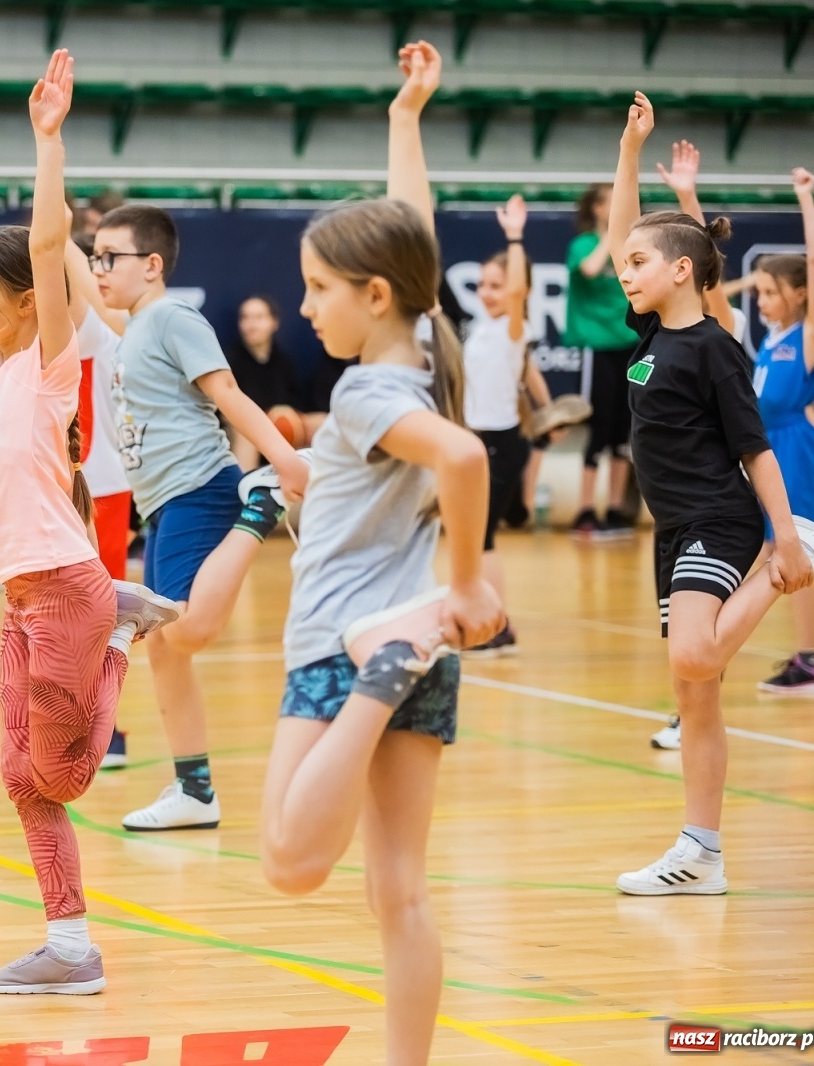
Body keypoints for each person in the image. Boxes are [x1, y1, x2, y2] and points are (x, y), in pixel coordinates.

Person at [258, 43, 505, 1065]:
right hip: (421, 641)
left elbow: (464, 457)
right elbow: (413, 237)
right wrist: (406, 119)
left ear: (370, 294)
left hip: (348, 644)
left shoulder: (364, 390)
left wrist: (468, 580)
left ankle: (376, 685)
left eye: (316, 287)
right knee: (398, 890)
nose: (306, 305)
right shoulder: (431, 355)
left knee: (290, 862)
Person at [0, 49, 179, 994]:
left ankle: (122, 634)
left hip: (64, 590)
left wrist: (47, 144)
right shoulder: (0, 383)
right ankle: (70, 948)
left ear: (25, 303)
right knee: (22, 778)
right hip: (25, 597)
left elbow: (48, 247)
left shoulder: (50, 369)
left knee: (63, 778)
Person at [606, 92, 814, 896]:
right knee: (695, 692)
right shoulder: (649, 335)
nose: (624, 271)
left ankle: (798, 560)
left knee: (695, 656)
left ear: (680, 271)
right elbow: (622, 232)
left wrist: (784, 539)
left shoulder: (714, 347)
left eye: (639, 263)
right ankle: (701, 853)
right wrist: (629, 152)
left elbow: (755, 447)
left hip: (719, 519)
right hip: (673, 529)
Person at [91, 210, 309, 831]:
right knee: (163, 650)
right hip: (162, 504)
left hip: (199, 488)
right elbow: (73, 273)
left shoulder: (172, 318)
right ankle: (195, 791)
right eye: (94, 256)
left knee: (186, 634)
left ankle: (260, 508)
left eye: (111, 257)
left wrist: (284, 460)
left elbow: (229, 394)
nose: (99, 269)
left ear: (152, 265)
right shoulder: (133, 327)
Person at [749, 169, 814, 696]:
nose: (760, 301)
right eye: (757, 291)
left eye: (769, 292)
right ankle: (805, 657)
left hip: (794, 449)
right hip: (769, 448)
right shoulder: (772, 340)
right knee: (771, 551)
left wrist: (808, 199)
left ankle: (811, 660)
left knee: (795, 551)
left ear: (800, 295)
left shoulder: (809, 333)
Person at [67, 230, 136, 767]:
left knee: (99, 611)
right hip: (71, 482)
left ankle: (105, 725)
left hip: (101, 486)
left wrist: (56, 233)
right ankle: (71, 718)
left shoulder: (97, 328)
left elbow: (57, 257)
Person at [462, 194, 536, 657]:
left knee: (483, 538)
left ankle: (498, 627)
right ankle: (490, 623)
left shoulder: (514, 327)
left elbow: (516, 293)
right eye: (482, 285)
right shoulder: (480, 328)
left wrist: (514, 237)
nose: (487, 293)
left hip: (501, 445)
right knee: (475, 539)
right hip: (477, 441)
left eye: (497, 285)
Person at [566, 182, 641, 538]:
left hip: (631, 343)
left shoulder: (632, 248)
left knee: (624, 433)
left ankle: (614, 509)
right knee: (598, 429)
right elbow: (590, 269)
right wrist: (611, 235)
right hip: (598, 346)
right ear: (596, 209)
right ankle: (584, 509)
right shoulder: (583, 245)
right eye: (610, 203)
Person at [222, 295, 309, 471]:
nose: (251, 325)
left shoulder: (284, 362)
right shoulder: (228, 362)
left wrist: (285, 415)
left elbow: (296, 403)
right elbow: (224, 410)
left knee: (319, 421)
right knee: (246, 432)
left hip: (278, 424)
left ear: (274, 322)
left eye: (258, 317)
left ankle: (314, 482)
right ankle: (245, 487)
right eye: (245, 318)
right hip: (244, 429)